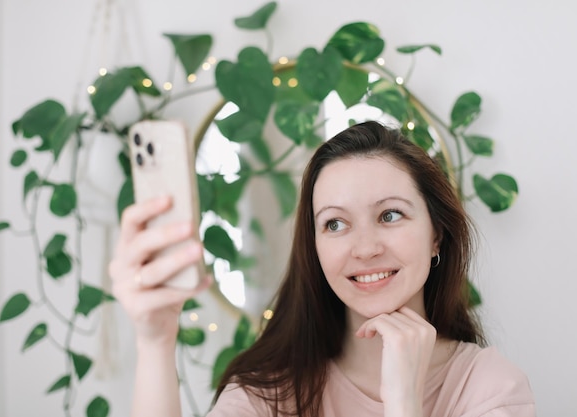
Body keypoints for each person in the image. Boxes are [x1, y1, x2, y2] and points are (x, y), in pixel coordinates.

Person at [110, 121, 536, 417]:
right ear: (314, 247)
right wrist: (155, 341)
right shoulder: (270, 394)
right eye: (335, 223)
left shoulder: (488, 390)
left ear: (436, 236)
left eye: (390, 215)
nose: (365, 248)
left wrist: (403, 399)